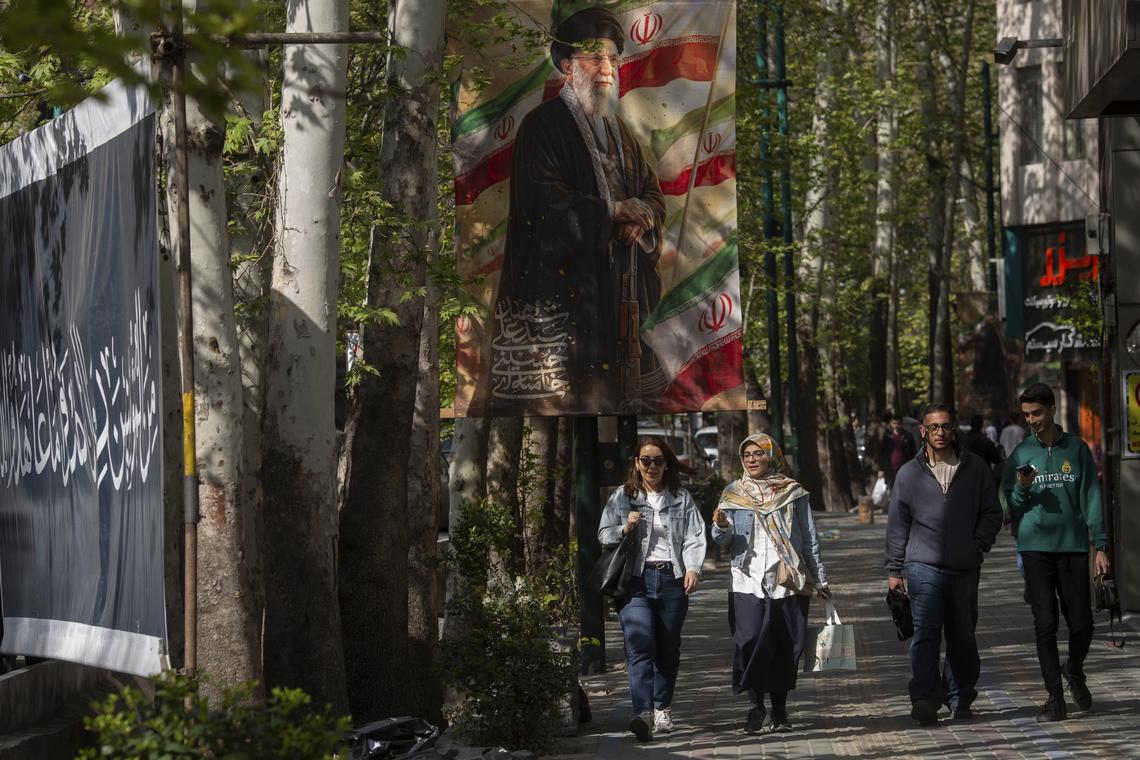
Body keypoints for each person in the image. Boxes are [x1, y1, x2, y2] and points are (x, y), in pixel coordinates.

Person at [485, 6, 666, 415]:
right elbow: (544, 202)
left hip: (618, 294)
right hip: (564, 303)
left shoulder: (623, 135)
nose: (607, 68)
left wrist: (642, 219)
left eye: (613, 59)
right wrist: (613, 211)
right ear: (567, 65)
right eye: (595, 57)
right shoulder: (542, 126)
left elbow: (653, 195)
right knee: (566, 402)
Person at [885, 403, 1003, 726]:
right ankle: (924, 697)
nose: (940, 432)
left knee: (962, 635)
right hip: (923, 568)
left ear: (955, 429)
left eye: (946, 426)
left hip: (965, 568)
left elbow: (993, 513)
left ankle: (960, 696)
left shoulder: (975, 467)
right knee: (925, 634)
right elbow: (897, 525)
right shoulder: (909, 473)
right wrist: (894, 572)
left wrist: (977, 543)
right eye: (933, 427)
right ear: (923, 431)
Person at [1003, 382, 1109, 722]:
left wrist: (1101, 546)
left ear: (1051, 409)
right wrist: (1021, 489)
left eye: (1036, 413)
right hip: (1034, 548)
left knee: (1083, 623)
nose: (1032, 420)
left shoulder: (1076, 449)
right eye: (1027, 415)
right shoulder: (1021, 454)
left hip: (1073, 547)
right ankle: (1054, 698)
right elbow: (1011, 505)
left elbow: (1092, 497)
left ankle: (1073, 668)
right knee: (1044, 624)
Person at [710, 434, 830, 734]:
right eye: (747, 454)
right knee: (748, 639)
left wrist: (821, 579)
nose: (751, 459)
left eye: (758, 453)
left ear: (771, 456)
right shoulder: (733, 493)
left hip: (786, 580)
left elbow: (809, 537)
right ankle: (755, 705)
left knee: (785, 645)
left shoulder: (793, 493)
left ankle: (779, 711)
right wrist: (721, 525)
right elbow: (722, 540)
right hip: (746, 579)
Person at [598, 436, 707, 741]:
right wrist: (624, 527)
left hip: (672, 579)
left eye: (658, 460)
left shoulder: (680, 497)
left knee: (668, 649)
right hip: (635, 581)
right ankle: (643, 713)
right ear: (636, 463)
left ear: (666, 464)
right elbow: (604, 534)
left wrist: (693, 569)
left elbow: (695, 537)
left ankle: (662, 706)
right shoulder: (623, 497)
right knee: (640, 644)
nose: (652, 466)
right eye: (646, 460)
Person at [880, 412, 917, 488]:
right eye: (894, 423)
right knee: (892, 490)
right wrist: (881, 469)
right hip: (890, 469)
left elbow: (913, 453)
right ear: (891, 424)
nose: (896, 426)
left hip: (904, 469)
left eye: (898, 423)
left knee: (904, 489)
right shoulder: (887, 436)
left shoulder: (908, 436)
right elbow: (882, 453)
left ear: (901, 424)